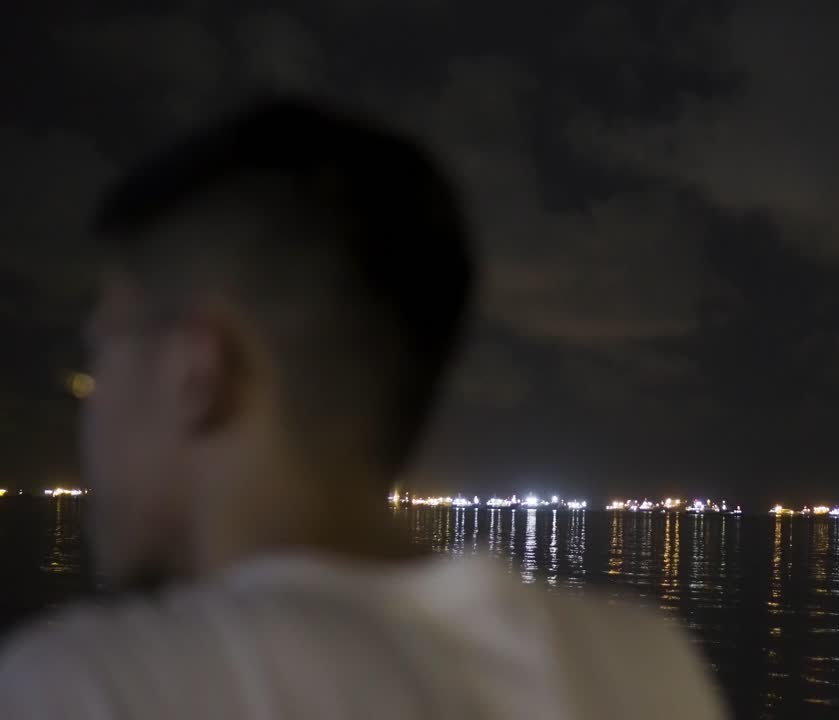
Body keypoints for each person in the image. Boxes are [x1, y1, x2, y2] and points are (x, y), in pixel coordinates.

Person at [0, 97, 725, 719]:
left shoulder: (90, 688)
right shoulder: (650, 668)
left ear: (199, 372)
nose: (88, 411)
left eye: (96, 360)